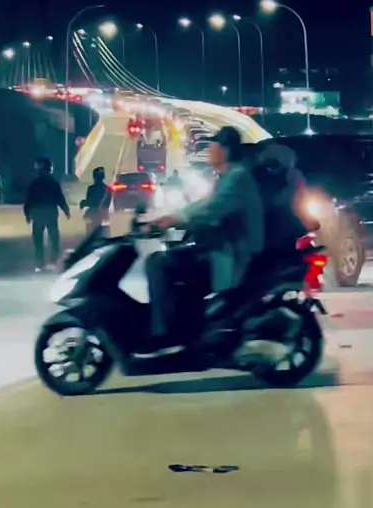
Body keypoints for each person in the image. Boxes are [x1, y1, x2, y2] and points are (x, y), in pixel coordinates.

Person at [142, 126, 264, 356]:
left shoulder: (237, 177)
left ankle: (164, 334)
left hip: (230, 253)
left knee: (158, 263)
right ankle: (185, 330)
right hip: (217, 247)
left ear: (225, 150)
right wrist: (167, 218)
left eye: (212, 146)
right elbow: (202, 204)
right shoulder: (226, 177)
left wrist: (175, 219)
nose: (209, 150)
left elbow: (213, 209)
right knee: (173, 259)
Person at [24, 157, 71, 272]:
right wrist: (66, 210)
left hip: (38, 213)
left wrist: (27, 214)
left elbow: (29, 200)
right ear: (50, 169)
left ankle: (40, 263)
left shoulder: (34, 183)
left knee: (38, 239)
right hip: (50, 212)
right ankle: (54, 261)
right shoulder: (53, 183)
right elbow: (60, 198)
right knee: (54, 237)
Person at [80, 166, 112, 234]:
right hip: (102, 214)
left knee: (88, 223)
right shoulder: (107, 189)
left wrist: (83, 203)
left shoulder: (91, 189)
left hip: (94, 213)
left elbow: (89, 201)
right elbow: (108, 203)